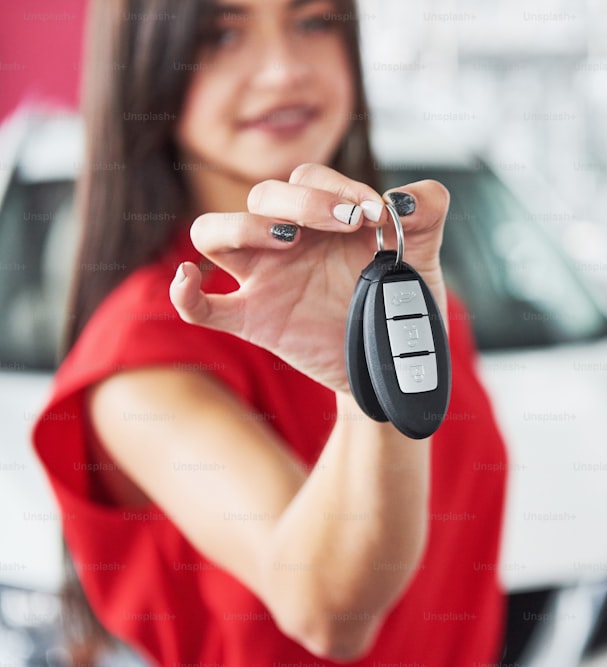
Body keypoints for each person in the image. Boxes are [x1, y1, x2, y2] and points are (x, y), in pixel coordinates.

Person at [30, 0, 509, 665]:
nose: (284, 70)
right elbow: (328, 610)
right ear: (144, 68)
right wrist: (363, 377)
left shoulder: (422, 296)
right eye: (221, 34)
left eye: (313, 22)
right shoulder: (138, 355)